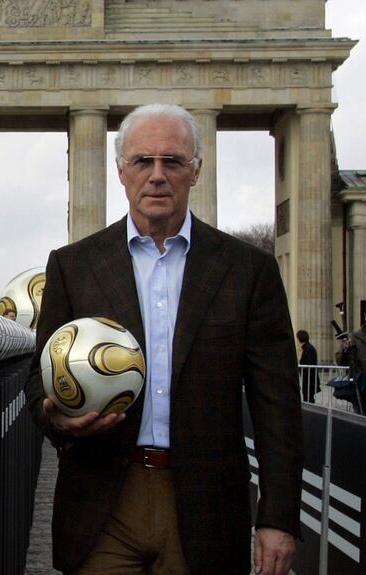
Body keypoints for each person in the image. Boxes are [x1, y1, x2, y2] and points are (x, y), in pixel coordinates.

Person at [25, 104, 302, 575]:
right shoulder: (73, 266)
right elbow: (38, 379)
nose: (157, 175)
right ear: (120, 171)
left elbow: (277, 404)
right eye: (142, 162)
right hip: (103, 498)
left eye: (172, 161)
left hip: (205, 504)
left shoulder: (246, 270)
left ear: (195, 170)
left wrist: (278, 518)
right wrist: (57, 422)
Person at [297, 329, 319, 402]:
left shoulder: (308, 349)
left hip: (309, 379)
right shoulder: (308, 348)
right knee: (308, 397)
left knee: (308, 398)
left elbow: (308, 365)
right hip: (308, 378)